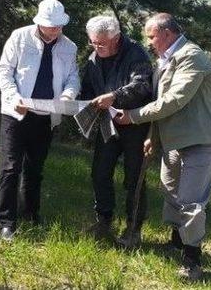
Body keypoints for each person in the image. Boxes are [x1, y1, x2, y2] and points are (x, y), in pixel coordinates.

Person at [115, 13, 211, 280]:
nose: (149, 42)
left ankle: (192, 260)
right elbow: (164, 100)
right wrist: (154, 135)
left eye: (151, 36)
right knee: (171, 190)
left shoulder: (192, 57)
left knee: (190, 200)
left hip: (200, 140)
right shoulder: (166, 58)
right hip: (176, 139)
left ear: (166, 33)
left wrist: (133, 116)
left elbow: (174, 100)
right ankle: (177, 242)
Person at [0, 0, 80, 241]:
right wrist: (13, 98)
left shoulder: (69, 47)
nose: (53, 31)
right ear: (39, 23)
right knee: (10, 168)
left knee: (35, 169)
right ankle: (6, 223)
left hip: (47, 115)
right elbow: (4, 70)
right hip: (16, 113)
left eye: (57, 27)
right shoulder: (19, 37)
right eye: (49, 26)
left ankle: (30, 214)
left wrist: (67, 95)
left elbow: (73, 77)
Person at [78, 15, 152, 248]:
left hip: (134, 124)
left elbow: (142, 86)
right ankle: (103, 221)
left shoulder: (136, 54)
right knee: (100, 172)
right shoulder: (93, 59)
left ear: (116, 38)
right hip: (106, 123)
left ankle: (133, 229)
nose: (96, 48)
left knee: (134, 178)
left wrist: (114, 96)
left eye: (101, 43)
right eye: (93, 43)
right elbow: (87, 88)